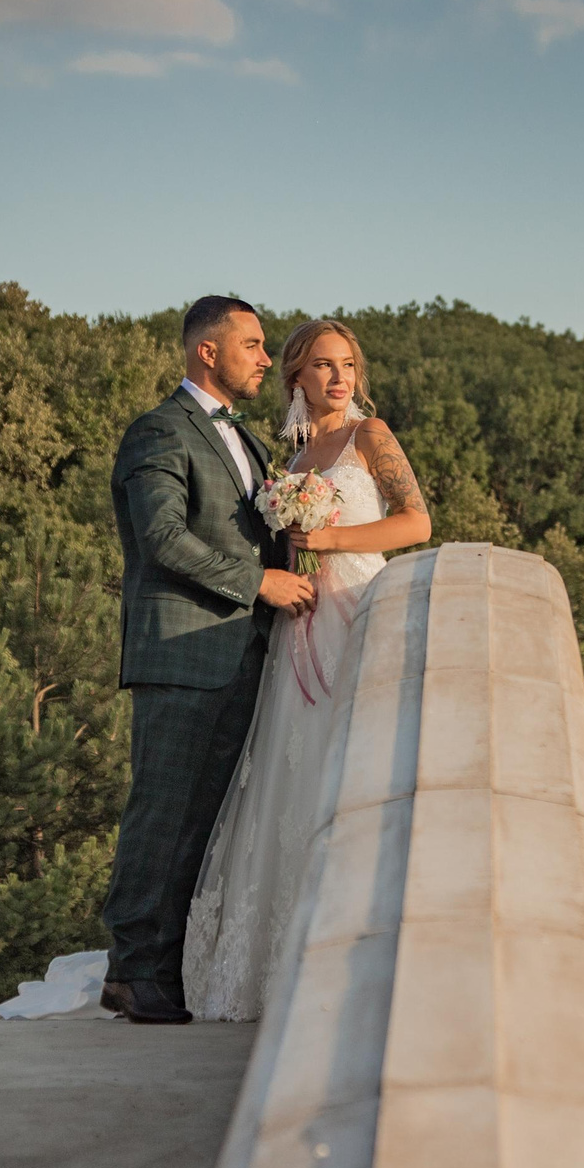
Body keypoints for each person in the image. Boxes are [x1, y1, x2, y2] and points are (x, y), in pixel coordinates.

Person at [183, 317, 431, 1021]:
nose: (338, 377)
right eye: (322, 365)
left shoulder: (370, 437)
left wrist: (329, 536)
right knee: (292, 777)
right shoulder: (289, 462)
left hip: (357, 610)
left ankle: (358, 953)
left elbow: (416, 523)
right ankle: (282, 960)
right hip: (299, 627)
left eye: (347, 364)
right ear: (295, 377)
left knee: (357, 768)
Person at [98, 296, 316, 1025]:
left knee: (207, 822)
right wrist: (258, 582)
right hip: (184, 654)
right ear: (207, 353)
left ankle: (172, 969)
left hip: (243, 654)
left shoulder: (247, 441)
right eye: (253, 345)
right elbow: (161, 536)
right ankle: (131, 973)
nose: (265, 357)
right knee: (163, 814)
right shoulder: (159, 431)